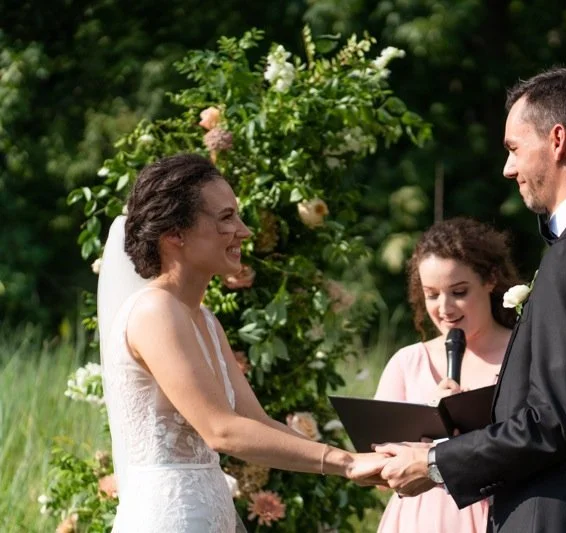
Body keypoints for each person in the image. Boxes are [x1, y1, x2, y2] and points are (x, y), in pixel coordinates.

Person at [375, 67, 566, 533]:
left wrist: (433, 461)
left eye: (513, 148)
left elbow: (552, 422)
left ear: (558, 140)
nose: (508, 169)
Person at [97, 154, 385, 533]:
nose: (244, 231)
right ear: (174, 234)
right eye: (226, 218)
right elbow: (221, 430)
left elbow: (253, 421)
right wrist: (344, 464)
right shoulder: (155, 311)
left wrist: (354, 462)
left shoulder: (205, 320)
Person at [373, 217, 521, 533]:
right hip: (418, 521)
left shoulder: (524, 354)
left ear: (490, 280)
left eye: (459, 291)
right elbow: (378, 475)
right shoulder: (406, 363)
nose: (445, 308)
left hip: (503, 518)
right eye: (432, 294)